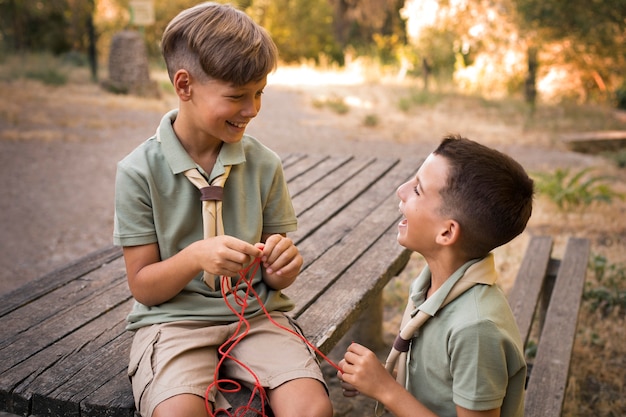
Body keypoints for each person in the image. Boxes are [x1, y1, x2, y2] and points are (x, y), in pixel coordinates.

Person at [113, 3, 332, 417]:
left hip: (257, 318)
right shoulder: (137, 172)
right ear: (184, 85)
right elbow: (143, 287)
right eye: (236, 96)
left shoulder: (265, 165)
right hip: (173, 322)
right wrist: (196, 256)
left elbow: (275, 262)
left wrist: (282, 265)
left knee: (312, 408)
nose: (252, 109)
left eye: (259, 93)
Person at [338, 135, 533, 417]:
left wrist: (386, 391)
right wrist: (377, 380)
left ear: (446, 233)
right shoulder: (432, 283)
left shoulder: (476, 328)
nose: (401, 190)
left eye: (417, 189)